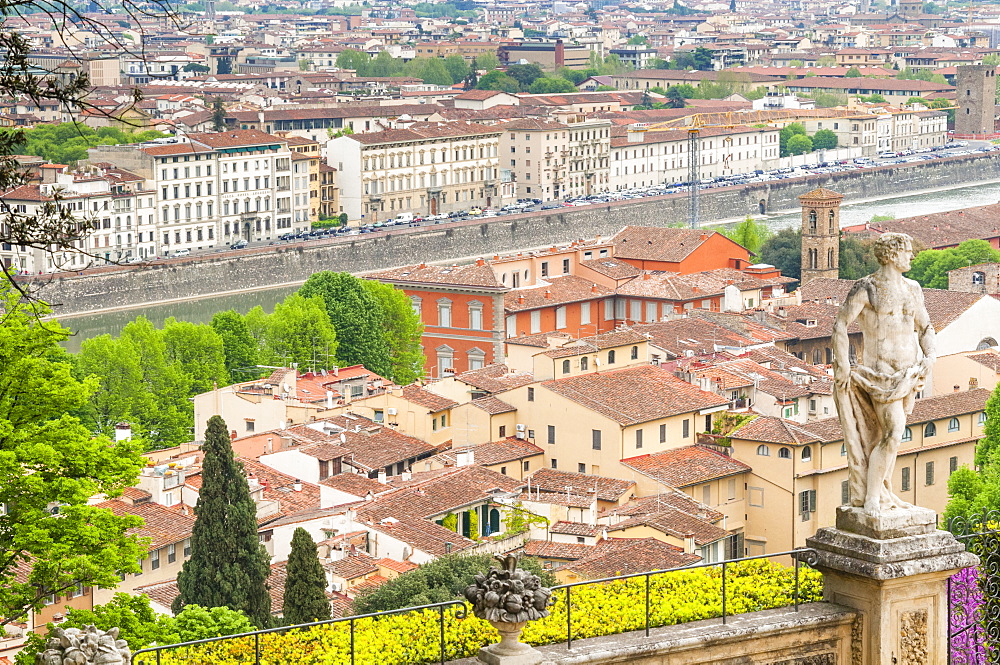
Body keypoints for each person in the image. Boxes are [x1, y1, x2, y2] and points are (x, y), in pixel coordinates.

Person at [832, 232, 936, 516]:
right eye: (907, 251)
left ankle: (884, 493)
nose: (911, 256)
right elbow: (840, 326)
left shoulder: (914, 288)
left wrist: (931, 356)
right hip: (881, 377)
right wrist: (842, 365)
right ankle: (872, 499)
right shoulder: (867, 288)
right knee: (892, 433)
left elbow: (925, 328)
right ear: (890, 254)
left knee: (888, 437)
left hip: (909, 376)